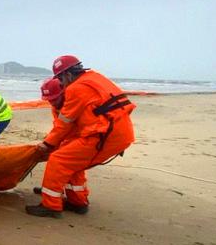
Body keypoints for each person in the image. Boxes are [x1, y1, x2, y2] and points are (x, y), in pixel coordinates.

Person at [26, 55, 135, 218]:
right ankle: (77, 202)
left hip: (105, 135)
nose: (52, 103)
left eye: (61, 80)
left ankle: (51, 206)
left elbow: (63, 125)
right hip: (114, 131)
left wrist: (47, 145)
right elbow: (65, 130)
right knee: (71, 161)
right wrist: (54, 143)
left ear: (67, 75)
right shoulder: (93, 78)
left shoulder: (75, 89)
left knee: (58, 160)